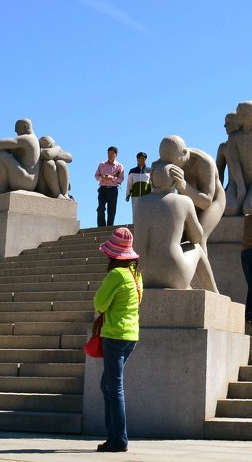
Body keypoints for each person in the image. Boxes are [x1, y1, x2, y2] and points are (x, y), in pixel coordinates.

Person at [93, 227, 144, 453]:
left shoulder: (116, 275)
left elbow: (100, 303)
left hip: (114, 334)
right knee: (108, 385)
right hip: (131, 334)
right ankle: (114, 434)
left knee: (114, 387)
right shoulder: (136, 273)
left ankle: (118, 438)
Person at [95, 146, 125, 227]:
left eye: (112, 153)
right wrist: (102, 178)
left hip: (113, 190)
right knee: (100, 208)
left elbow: (121, 179)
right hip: (102, 189)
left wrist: (112, 178)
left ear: (116, 155)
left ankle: (109, 227)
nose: (110, 155)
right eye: (108, 153)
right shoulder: (102, 164)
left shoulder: (119, 166)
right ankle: (101, 227)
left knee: (111, 210)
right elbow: (96, 176)